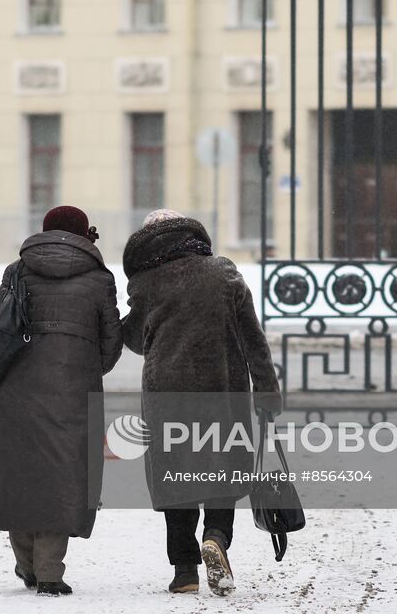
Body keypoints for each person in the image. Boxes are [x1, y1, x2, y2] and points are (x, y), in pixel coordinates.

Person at [121, 209, 280, 597]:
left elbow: (137, 342)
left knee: (176, 476)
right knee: (222, 468)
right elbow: (252, 339)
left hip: (167, 395)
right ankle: (216, 537)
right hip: (222, 389)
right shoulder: (223, 272)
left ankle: (184, 571)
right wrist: (267, 391)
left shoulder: (145, 282)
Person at [0, 205, 123, 596]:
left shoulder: (17, 270)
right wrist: (83, 367)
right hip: (73, 390)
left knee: (20, 471)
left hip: (16, 387)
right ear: (83, 235)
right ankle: (49, 572)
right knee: (63, 473)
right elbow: (111, 343)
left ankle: (27, 564)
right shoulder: (98, 278)